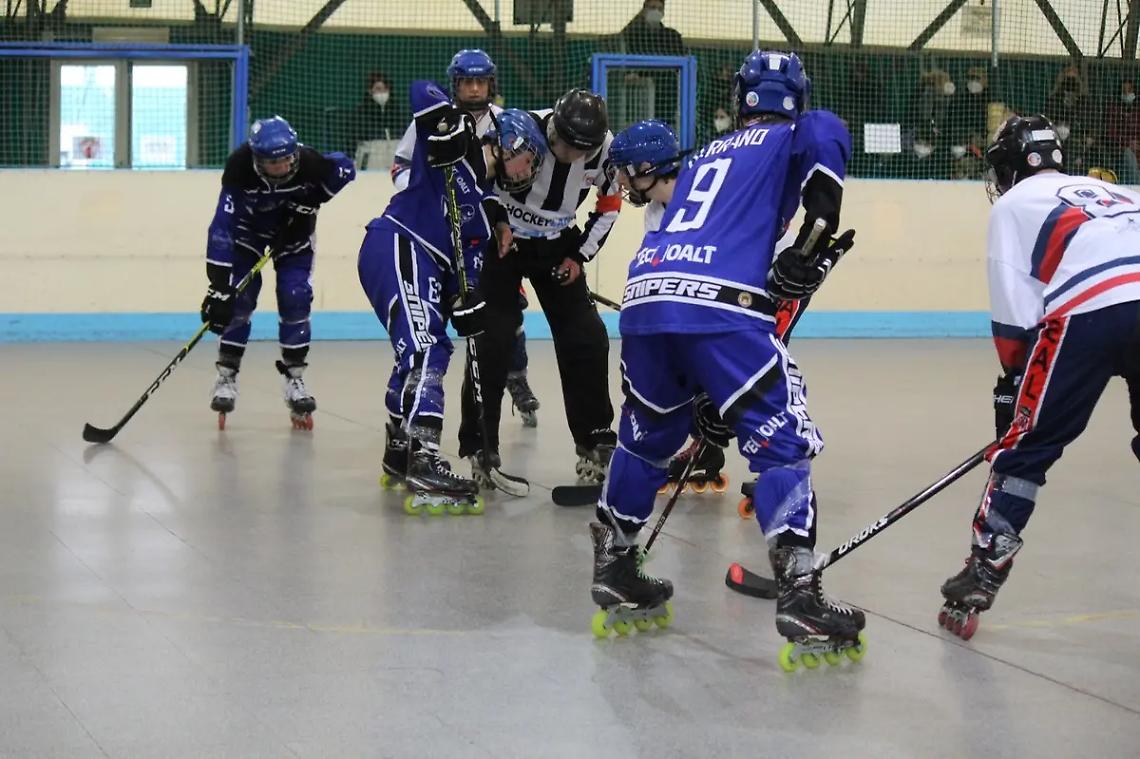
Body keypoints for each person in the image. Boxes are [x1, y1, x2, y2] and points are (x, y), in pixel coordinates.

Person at [587, 51, 864, 663]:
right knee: (780, 440)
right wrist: (807, 251)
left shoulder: (705, 152)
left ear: (741, 99)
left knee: (646, 437)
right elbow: (821, 208)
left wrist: (710, 392)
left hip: (647, 302)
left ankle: (615, 564)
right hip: (724, 309)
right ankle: (800, 592)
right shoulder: (808, 128)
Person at [937, 115, 1140, 640]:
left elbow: (1014, 321)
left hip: (1091, 307)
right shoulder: (1112, 188)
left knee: (1029, 447)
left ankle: (985, 567)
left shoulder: (1012, 204)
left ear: (1008, 168)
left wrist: (1014, 389)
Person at [357, 91, 544, 512]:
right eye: (528, 160)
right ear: (509, 144)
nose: (529, 171)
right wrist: (448, 120)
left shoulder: (482, 209)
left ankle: (400, 447)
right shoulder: (450, 148)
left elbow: (469, 273)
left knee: (424, 347)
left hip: (424, 263)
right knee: (428, 349)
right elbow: (420, 90)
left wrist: (470, 300)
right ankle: (425, 457)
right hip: (399, 244)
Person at [457, 88, 621, 486]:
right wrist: (497, 220)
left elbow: (609, 205)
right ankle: (481, 447)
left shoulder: (606, 152)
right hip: (505, 239)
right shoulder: (518, 128)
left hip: (558, 243)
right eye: (563, 145)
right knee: (490, 338)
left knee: (587, 337)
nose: (569, 154)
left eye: (580, 150)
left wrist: (579, 257)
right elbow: (478, 183)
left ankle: (595, 443)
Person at [391, 49, 540, 431]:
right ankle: (415, 385)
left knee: (509, 308)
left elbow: (510, 180)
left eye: (481, 81)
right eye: (467, 82)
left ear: (492, 84)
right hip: (438, 233)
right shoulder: (434, 118)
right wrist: (434, 198)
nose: (475, 89)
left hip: (485, 228)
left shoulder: (504, 124)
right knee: (440, 306)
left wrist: (501, 219)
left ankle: (517, 375)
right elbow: (401, 165)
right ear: (456, 84)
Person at [201, 116, 355, 430]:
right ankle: (226, 375)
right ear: (258, 161)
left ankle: (294, 379)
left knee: (295, 295)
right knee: (239, 300)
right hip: (248, 236)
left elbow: (345, 168)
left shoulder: (310, 163)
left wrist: (314, 198)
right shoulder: (239, 167)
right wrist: (218, 286)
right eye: (274, 163)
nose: (283, 167)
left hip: (295, 238)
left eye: (287, 159)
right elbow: (222, 227)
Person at [349, 72, 405, 169]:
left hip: (391, 156)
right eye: (378, 89)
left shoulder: (395, 110)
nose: (382, 92)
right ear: (370, 90)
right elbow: (353, 137)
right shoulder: (361, 111)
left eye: (385, 89)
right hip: (371, 157)